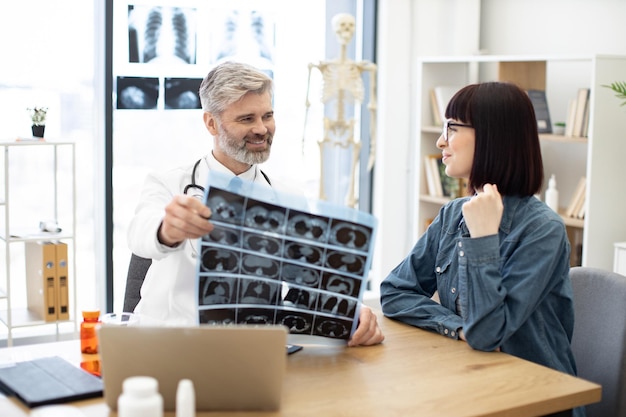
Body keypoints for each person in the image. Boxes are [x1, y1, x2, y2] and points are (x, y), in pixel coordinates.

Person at [127, 61, 383, 347]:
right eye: (247, 119)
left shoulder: (286, 194)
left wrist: (345, 310)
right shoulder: (169, 183)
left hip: (253, 349)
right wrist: (168, 229)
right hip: (171, 343)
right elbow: (140, 235)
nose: (262, 129)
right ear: (211, 123)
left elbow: (308, 282)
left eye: (268, 116)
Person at [380, 81, 582, 416]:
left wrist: (483, 238)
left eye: (452, 128)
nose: (440, 140)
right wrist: (456, 328)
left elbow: (487, 334)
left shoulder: (542, 230)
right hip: (473, 384)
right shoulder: (452, 213)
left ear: (492, 136)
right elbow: (395, 291)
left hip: (534, 401)